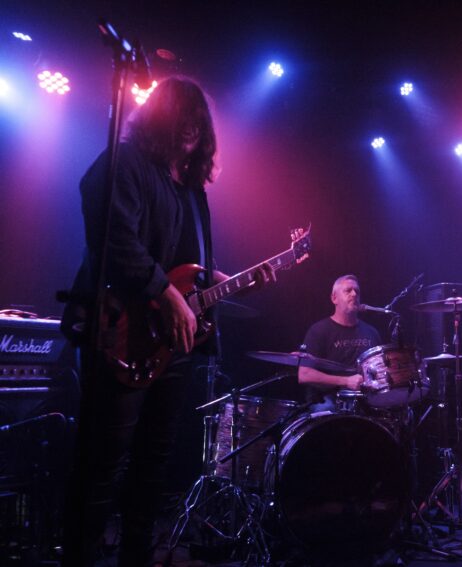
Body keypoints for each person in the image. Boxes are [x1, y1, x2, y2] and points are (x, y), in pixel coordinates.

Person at [60, 76, 272, 566]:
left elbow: (187, 264)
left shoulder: (193, 190)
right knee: (103, 463)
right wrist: (163, 291)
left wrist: (222, 281)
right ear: (162, 118)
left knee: (152, 465)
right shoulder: (126, 163)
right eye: (185, 119)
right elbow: (114, 241)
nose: (193, 130)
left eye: (200, 123)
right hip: (121, 334)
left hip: (171, 346)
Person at [299, 274, 383, 410]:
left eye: (357, 291)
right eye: (348, 290)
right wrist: (346, 381)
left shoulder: (372, 332)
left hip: (366, 401)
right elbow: (304, 375)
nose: (354, 294)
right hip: (329, 399)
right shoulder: (318, 330)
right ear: (334, 298)